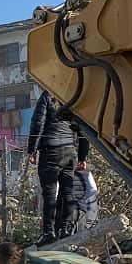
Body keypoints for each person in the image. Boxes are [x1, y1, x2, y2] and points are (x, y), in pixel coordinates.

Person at [27, 91, 90, 245]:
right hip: (70, 152)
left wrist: (32, 150)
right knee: (68, 192)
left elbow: (38, 122)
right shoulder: (73, 95)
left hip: (50, 151)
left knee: (49, 194)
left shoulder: (47, 95)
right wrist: (82, 156)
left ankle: (49, 232)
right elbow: (84, 129)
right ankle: (65, 229)